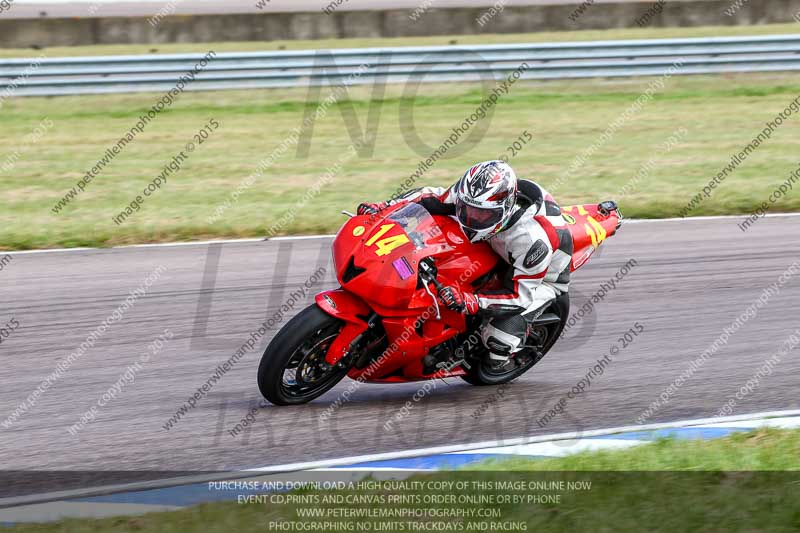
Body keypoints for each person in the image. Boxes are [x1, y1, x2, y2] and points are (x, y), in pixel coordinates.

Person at [357, 160, 573, 365]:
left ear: (504, 209)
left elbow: (520, 296)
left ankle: (505, 353)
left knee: (498, 339)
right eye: (467, 209)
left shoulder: (531, 240)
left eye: (482, 214)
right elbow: (430, 197)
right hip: (497, 247)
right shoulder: (472, 196)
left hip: (540, 279)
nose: (472, 218)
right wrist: (384, 207)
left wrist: (470, 301)